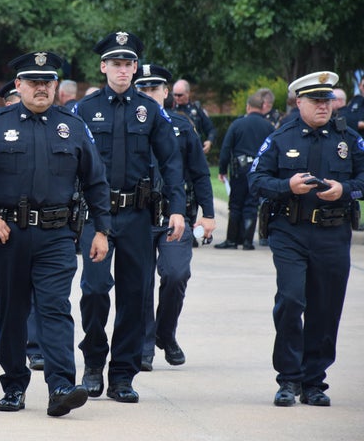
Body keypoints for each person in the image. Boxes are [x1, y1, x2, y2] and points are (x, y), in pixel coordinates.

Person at [0, 50, 112, 417]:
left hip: (57, 235)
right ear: (19, 85)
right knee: (12, 312)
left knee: (56, 308)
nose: (41, 88)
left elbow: (96, 181)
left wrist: (102, 230)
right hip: (7, 235)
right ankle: (13, 385)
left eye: (48, 82)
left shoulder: (72, 126)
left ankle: (60, 385)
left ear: (56, 86)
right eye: (34, 82)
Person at [73, 31, 186, 403]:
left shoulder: (151, 110)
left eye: (128, 64)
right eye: (116, 64)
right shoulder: (84, 111)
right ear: (103, 66)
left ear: (135, 68)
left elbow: (171, 162)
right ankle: (92, 363)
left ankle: (122, 374)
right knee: (93, 290)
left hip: (138, 215)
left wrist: (177, 210)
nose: (123, 70)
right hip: (96, 216)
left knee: (134, 295)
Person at [249, 71, 364, 407]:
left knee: (326, 309)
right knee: (291, 300)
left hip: (333, 232)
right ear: (299, 102)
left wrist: (346, 190)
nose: (323, 106)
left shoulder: (348, 139)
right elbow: (256, 179)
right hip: (291, 232)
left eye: (327, 100)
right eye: (315, 100)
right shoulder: (281, 137)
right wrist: (287, 187)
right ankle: (288, 379)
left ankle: (314, 381)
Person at [133, 63, 216, 371]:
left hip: (174, 215)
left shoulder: (182, 126)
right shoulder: (126, 126)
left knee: (176, 274)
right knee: (140, 283)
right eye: (142, 89)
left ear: (166, 93)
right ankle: (143, 347)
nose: (148, 94)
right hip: (138, 216)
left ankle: (165, 333)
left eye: (154, 89)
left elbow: (199, 174)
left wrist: (208, 214)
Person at [0, 79, 44, 370]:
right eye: (14, 98)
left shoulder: (42, 129)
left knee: (35, 291)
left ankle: (35, 347)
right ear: (7, 101)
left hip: (38, 228)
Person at [215, 90, 274, 250]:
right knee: (251, 204)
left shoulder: (237, 124)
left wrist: (222, 170)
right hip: (258, 171)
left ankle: (232, 240)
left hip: (239, 170)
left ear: (248, 107)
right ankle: (247, 241)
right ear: (262, 107)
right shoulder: (269, 127)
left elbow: (226, 148)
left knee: (235, 205)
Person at [172, 79, 216, 155]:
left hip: (195, 151)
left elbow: (211, 129)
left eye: (180, 95)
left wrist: (209, 141)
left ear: (188, 93)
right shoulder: (171, 110)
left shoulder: (196, 110)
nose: (177, 97)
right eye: (175, 95)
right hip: (177, 152)